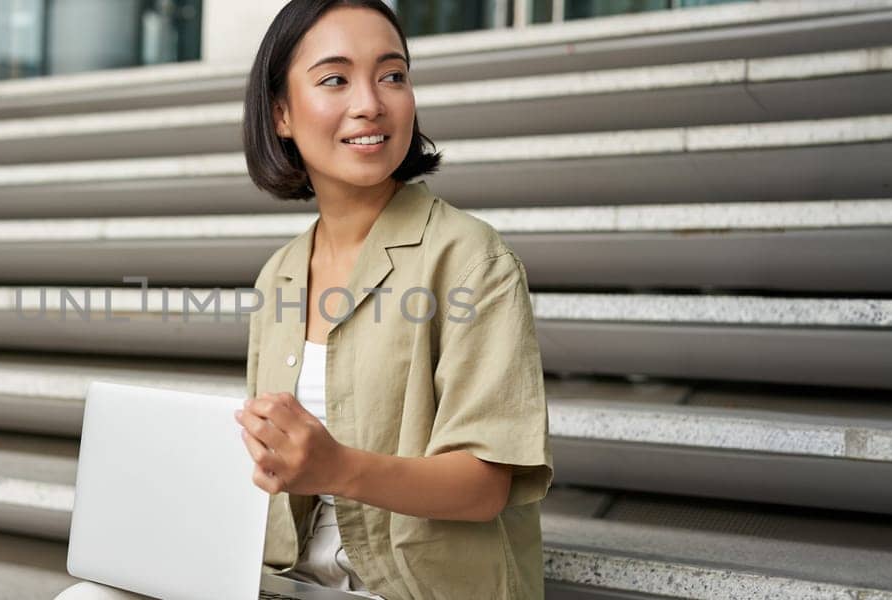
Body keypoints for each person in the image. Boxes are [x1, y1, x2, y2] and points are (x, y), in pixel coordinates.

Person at [58, 1, 551, 598]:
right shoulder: (282, 275)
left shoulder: (473, 260)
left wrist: (337, 466)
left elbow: (485, 486)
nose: (370, 101)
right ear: (282, 114)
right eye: (335, 79)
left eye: (392, 75)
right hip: (287, 583)